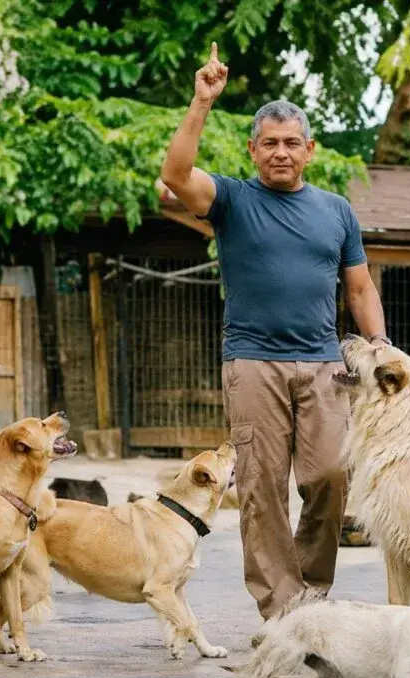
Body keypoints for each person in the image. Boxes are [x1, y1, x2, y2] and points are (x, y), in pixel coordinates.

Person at [160, 42, 390, 620]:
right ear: (253, 149)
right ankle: (282, 611)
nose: (281, 153)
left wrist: (380, 349)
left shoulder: (336, 210)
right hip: (252, 362)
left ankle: (311, 593)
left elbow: (359, 288)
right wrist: (200, 102)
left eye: (292, 143)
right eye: (270, 143)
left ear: (309, 150)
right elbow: (175, 174)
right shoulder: (233, 199)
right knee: (262, 490)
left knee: (332, 477)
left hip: (324, 364)